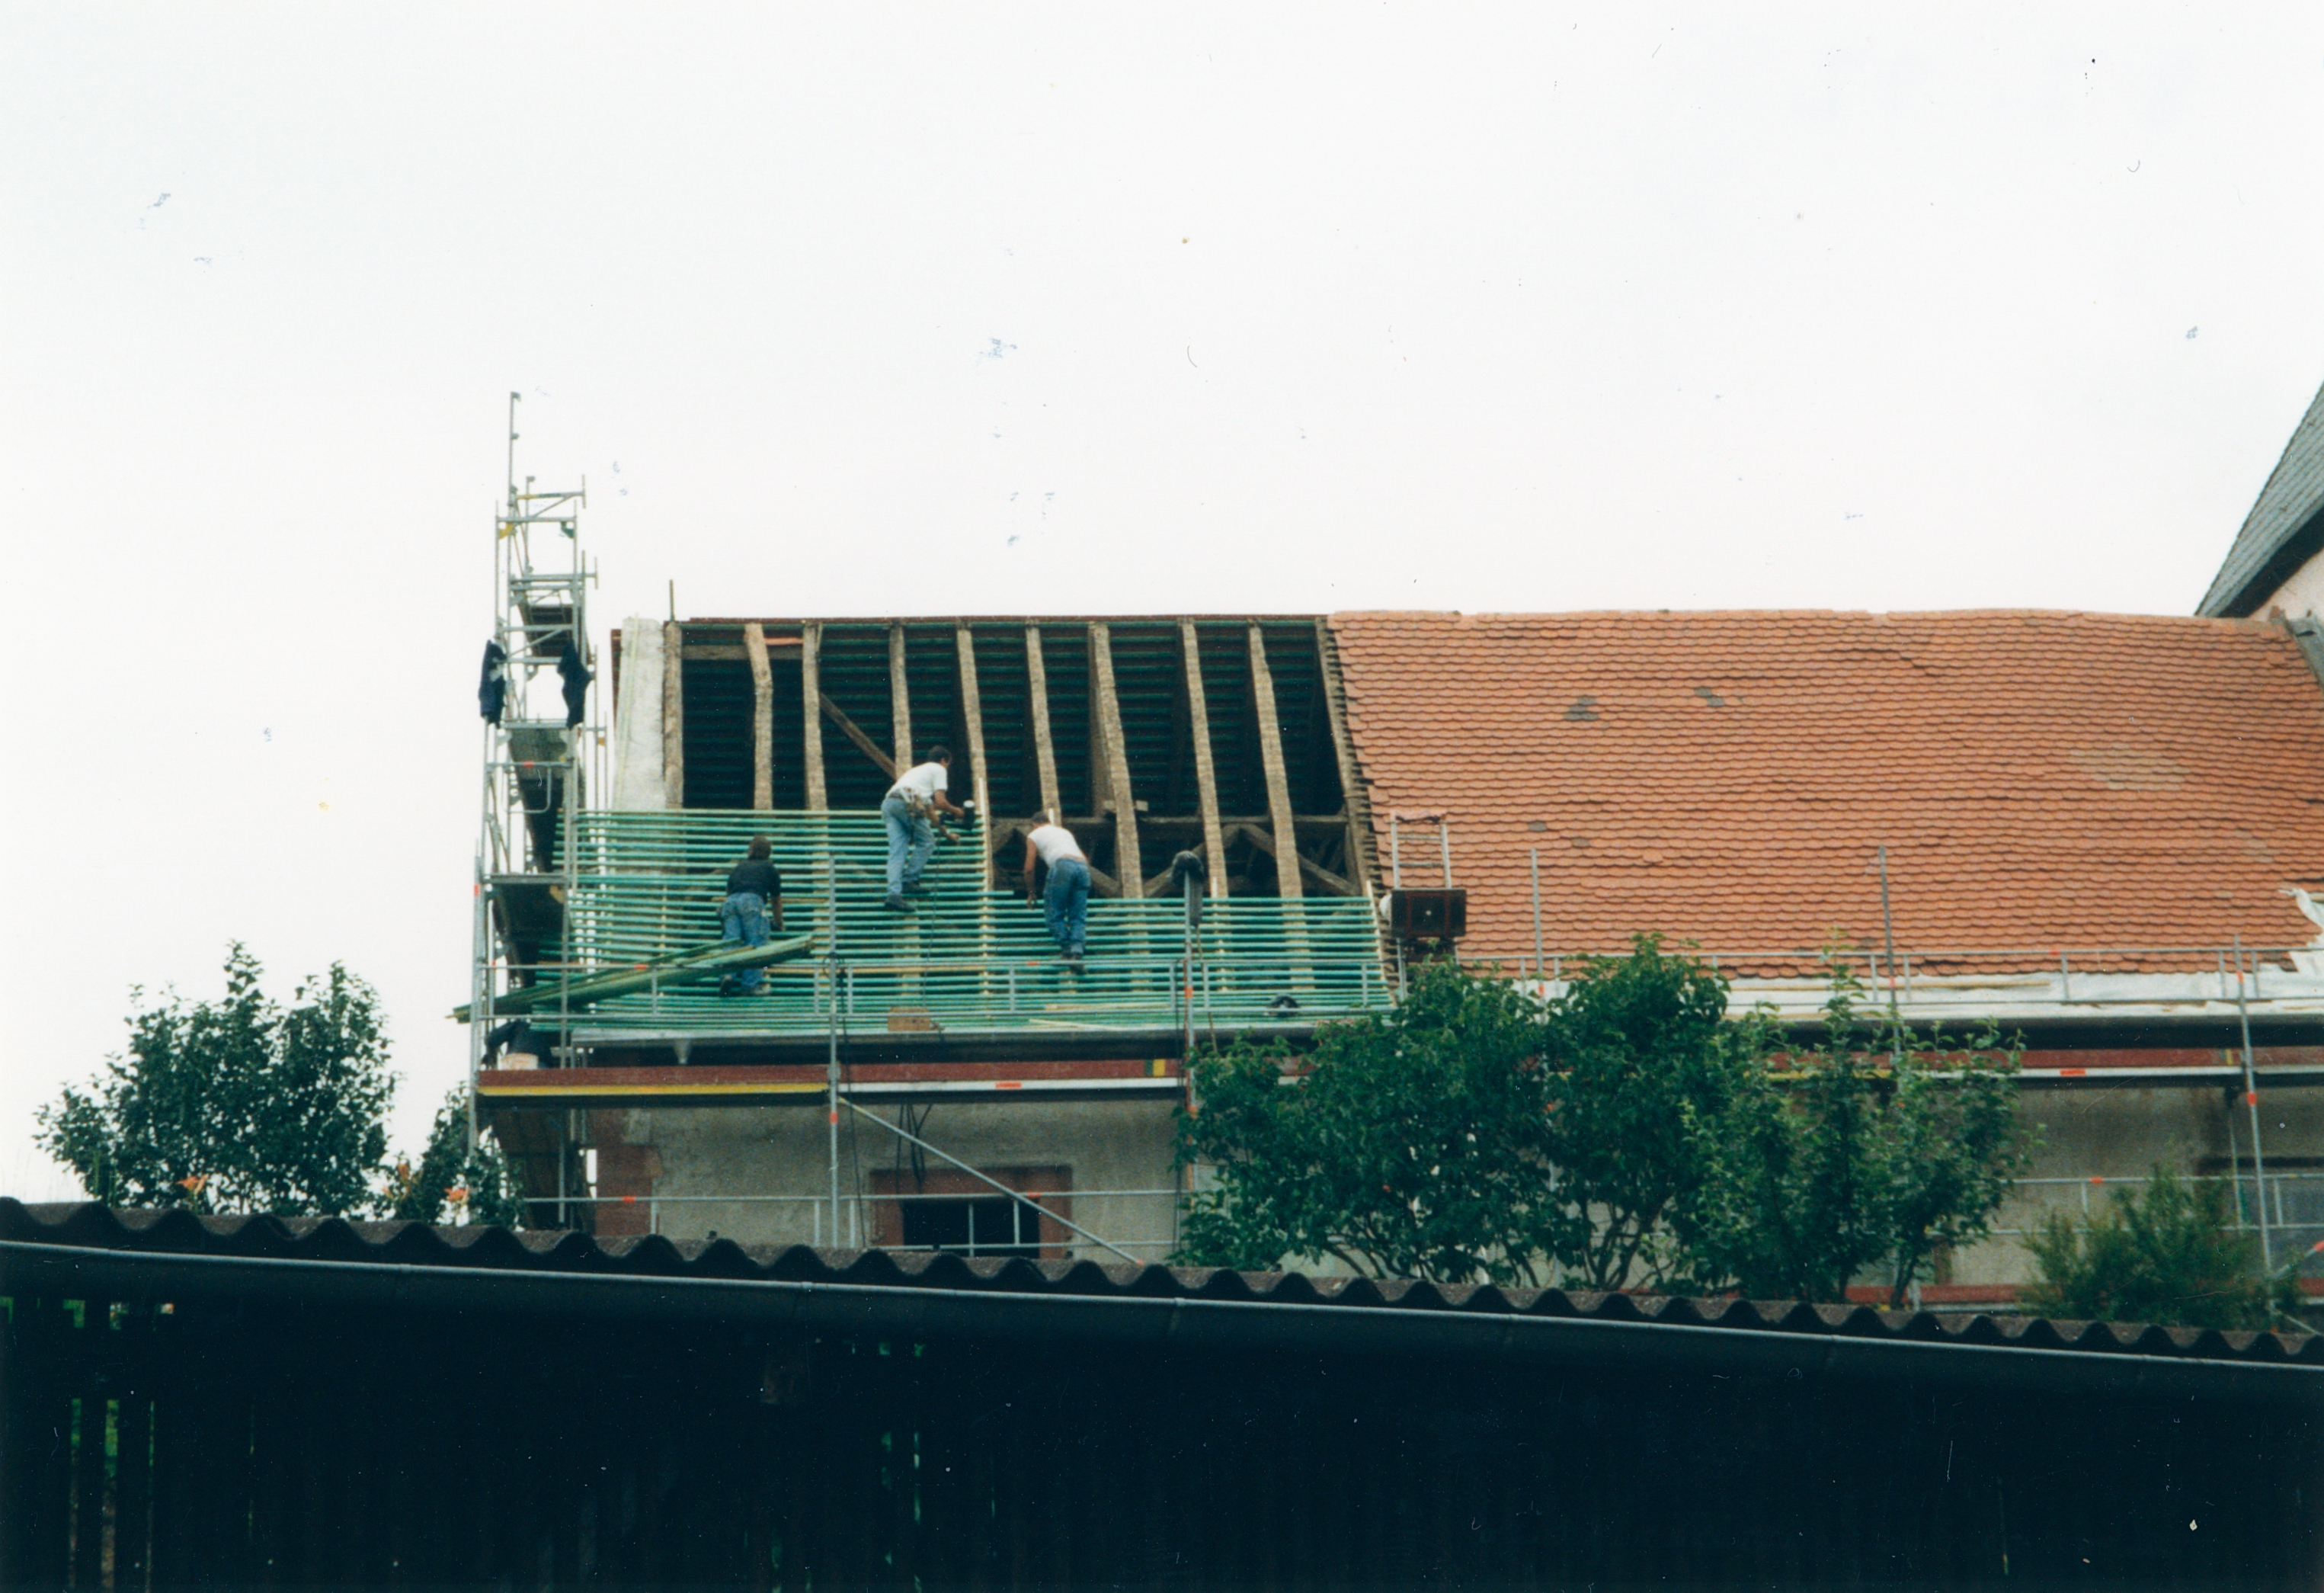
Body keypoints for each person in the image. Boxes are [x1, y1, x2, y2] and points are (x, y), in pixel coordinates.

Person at [882, 746, 966, 911]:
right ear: (944, 760)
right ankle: (909, 880)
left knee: (897, 851)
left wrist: (946, 834)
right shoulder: (939, 769)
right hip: (907, 802)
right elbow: (941, 802)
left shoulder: (918, 774)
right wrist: (958, 811)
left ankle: (893, 895)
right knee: (927, 842)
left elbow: (930, 812)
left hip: (889, 804)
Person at [719, 836, 784, 995]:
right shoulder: (770, 868)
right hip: (752, 902)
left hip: (731, 902)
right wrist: (778, 922)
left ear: (751, 851)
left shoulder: (740, 866)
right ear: (768, 853)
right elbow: (776, 900)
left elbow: (729, 890)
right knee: (757, 942)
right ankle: (749, 986)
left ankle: (727, 975)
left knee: (732, 940)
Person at [1022, 813, 1090, 963]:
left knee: (1053, 914)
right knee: (1078, 916)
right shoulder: (1064, 832)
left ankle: (1066, 951)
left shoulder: (1034, 834)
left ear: (1034, 824)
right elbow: (1084, 858)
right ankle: (1077, 952)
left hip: (1062, 865)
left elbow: (1029, 869)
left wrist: (1031, 893)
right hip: (1083, 868)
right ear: (1049, 822)